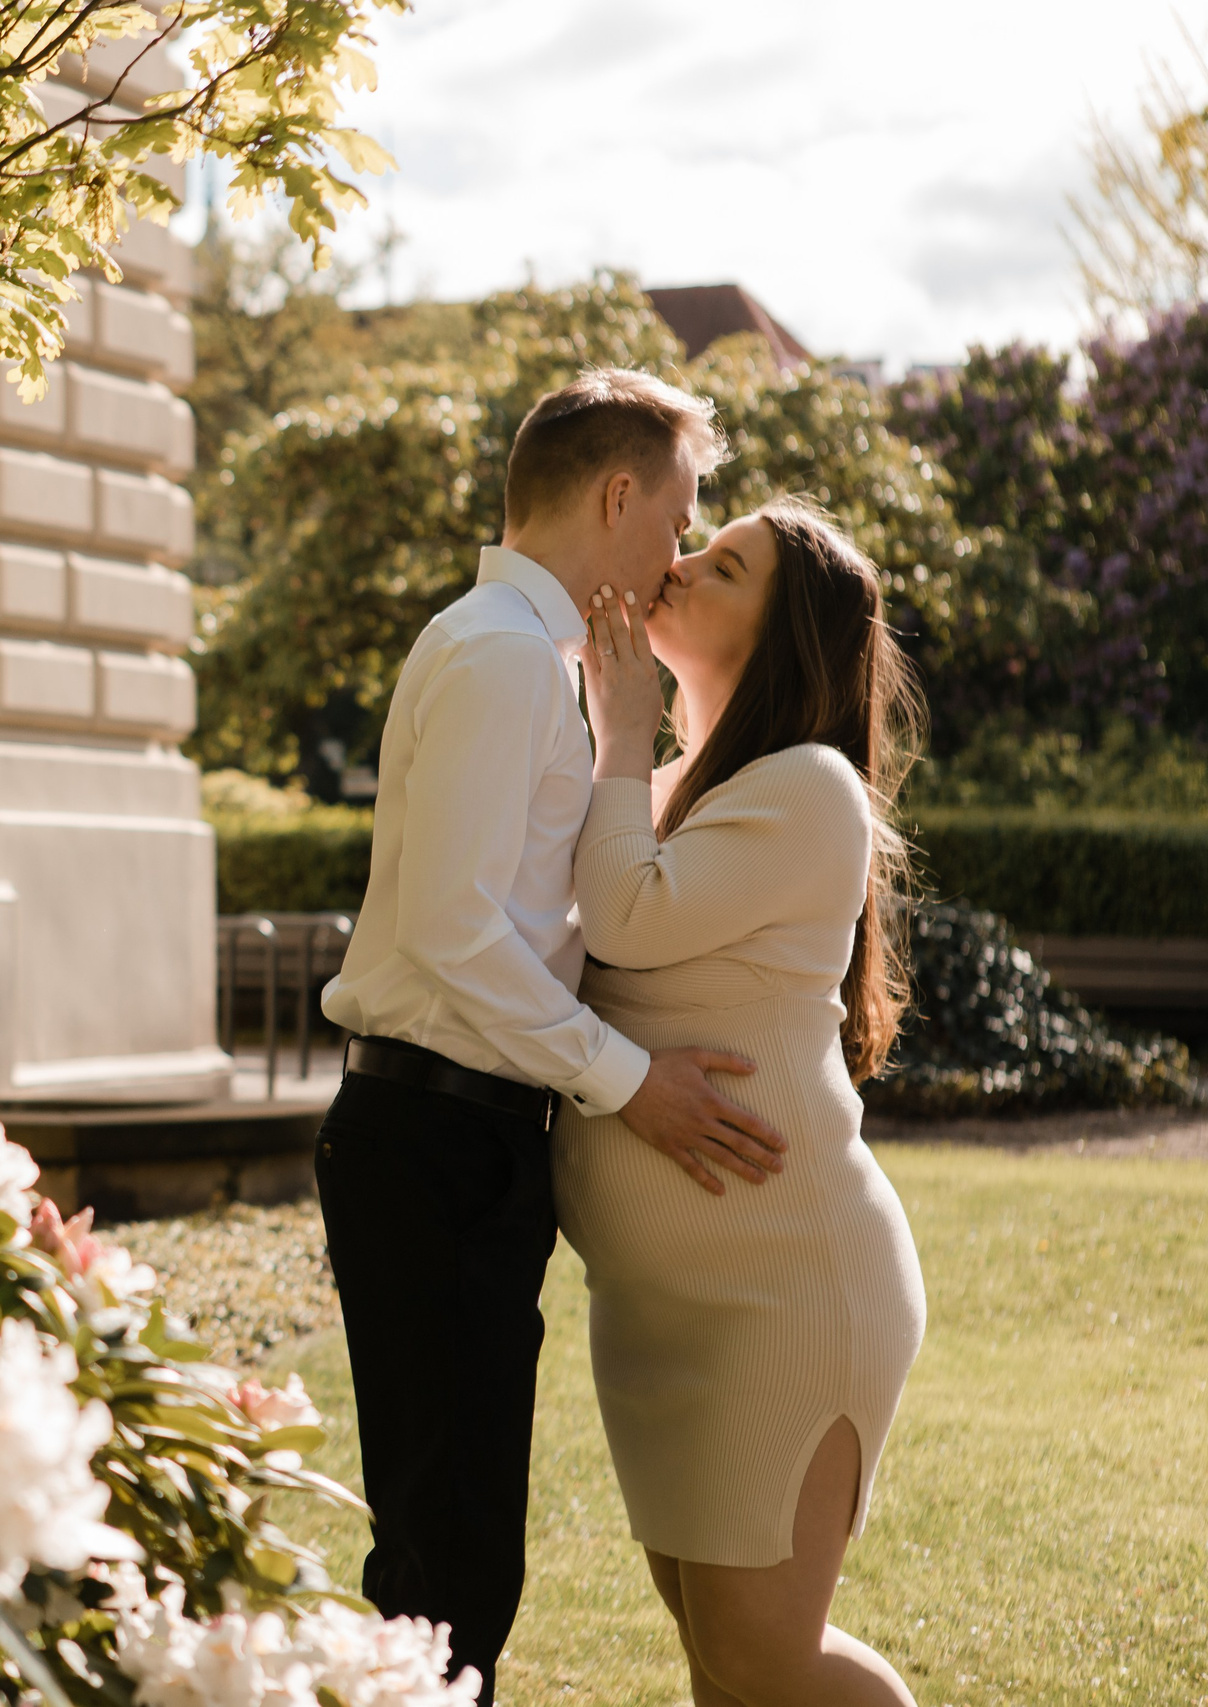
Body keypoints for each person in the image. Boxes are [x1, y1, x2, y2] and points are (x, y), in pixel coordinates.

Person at [314, 367, 791, 1702]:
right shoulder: (501, 656)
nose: (678, 554)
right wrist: (628, 1081)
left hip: (466, 1141)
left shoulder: (534, 660)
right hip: (432, 1138)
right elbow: (456, 931)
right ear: (617, 496)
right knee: (443, 1576)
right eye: (678, 518)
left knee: (457, 1565)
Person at [560, 497, 927, 1707]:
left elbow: (624, 919)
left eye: (724, 567)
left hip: (783, 1294)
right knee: (723, 1667)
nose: (681, 564)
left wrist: (617, 728)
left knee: (766, 1654)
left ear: (781, 639)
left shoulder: (808, 784)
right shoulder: (664, 786)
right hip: (657, 1314)